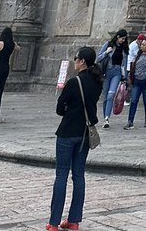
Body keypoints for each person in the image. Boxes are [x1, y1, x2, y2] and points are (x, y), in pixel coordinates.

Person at [47, 44, 102, 231]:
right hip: (85, 134)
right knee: (79, 175)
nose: (75, 62)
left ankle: (54, 222)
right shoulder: (97, 82)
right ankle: (74, 221)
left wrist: (69, 109)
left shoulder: (73, 82)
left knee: (61, 174)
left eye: (76, 59)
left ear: (82, 61)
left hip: (67, 133)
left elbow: (59, 108)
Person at [97, 28, 129, 129]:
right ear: (118, 37)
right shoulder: (108, 44)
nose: (123, 41)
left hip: (117, 72)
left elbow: (124, 63)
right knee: (106, 96)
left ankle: (107, 118)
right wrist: (106, 52)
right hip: (107, 72)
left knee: (111, 95)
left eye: (125, 39)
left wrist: (124, 77)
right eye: (122, 39)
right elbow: (98, 58)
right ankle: (105, 117)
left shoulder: (124, 49)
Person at [124, 35, 146, 129]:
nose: (141, 46)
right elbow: (133, 65)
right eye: (141, 45)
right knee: (133, 101)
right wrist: (130, 75)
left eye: (144, 45)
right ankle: (130, 121)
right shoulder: (138, 54)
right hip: (137, 81)